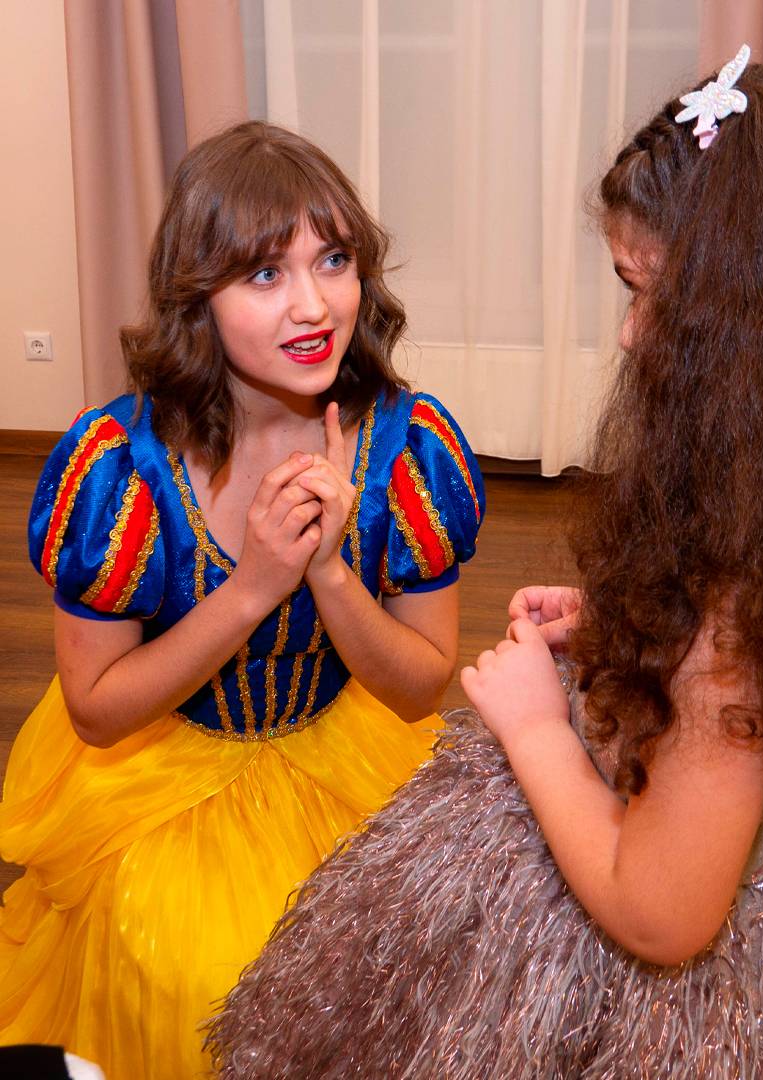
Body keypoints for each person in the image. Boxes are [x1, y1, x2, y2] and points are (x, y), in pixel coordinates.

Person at [209, 52, 763, 1078]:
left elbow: (660, 915)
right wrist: (638, 631)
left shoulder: (738, 620)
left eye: (652, 297)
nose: (628, 334)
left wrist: (534, 723)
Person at [0, 121, 484, 1079]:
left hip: (348, 751)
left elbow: (420, 688)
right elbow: (97, 712)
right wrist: (255, 584)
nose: (313, 305)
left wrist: (329, 573)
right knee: (202, 978)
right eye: (265, 274)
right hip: (161, 774)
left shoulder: (410, 447)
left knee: (398, 961)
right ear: (198, 300)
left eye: (333, 261)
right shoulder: (120, 470)